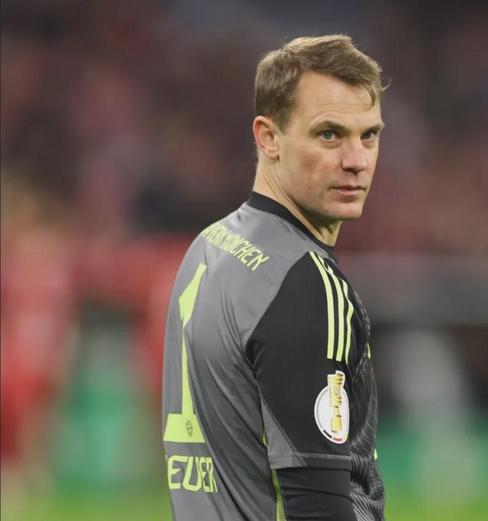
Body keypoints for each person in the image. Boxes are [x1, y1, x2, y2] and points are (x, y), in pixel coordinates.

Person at [162, 34, 386, 520]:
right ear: (268, 137)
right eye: (329, 135)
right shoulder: (304, 285)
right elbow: (319, 509)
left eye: (368, 135)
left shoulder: (209, 247)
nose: (357, 160)